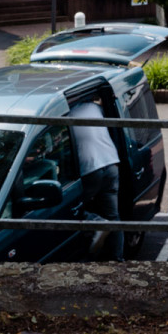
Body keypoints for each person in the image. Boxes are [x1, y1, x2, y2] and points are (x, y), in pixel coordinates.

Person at [67, 100, 123, 262]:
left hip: (91, 167)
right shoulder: (93, 107)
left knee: (72, 208)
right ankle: (118, 259)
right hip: (111, 162)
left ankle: (96, 223)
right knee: (113, 216)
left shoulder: (66, 115)